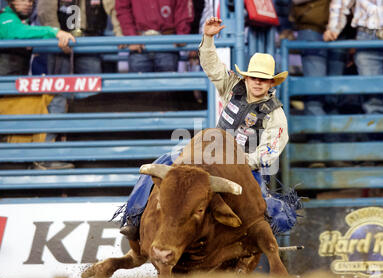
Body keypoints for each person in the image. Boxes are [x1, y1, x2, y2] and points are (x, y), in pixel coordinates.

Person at [116, 16, 301, 241]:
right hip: (208, 154)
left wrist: (240, 162)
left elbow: (269, 152)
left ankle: (256, 245)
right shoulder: (233, 86)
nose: (257, 82)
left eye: (263, 79)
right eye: (254, 77)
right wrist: (208, 38)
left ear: (271, 82)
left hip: (244, 167)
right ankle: (134, 219)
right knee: (160, 164)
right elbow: (212, 66)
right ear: (247, 77)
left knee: (263, 212)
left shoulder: (275, 114)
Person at [36, 0, 122, 169]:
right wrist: (57, 33)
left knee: (91, 99)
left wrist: (120, 34)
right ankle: (50, 155)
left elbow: (113, 7)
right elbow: (45, 8)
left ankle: (89, 153)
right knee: (58, 100)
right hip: (61, 45)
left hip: (90, 43)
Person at [0, 0, 75, 146]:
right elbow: (18, 33)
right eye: (22, 0)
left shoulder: (21, 23)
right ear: (10, 2)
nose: (28, 3)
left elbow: (28, 33)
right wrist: (55, 32)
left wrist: (58, 38)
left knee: (51, 95)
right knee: (55, 99)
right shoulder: (5, 20)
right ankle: (45, 156)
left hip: (11, 92)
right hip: (5, 96)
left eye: (30, 0)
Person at [324, 0, 383, 116]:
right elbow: (340, 4)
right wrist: (333, 29)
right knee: (372, 98)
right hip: (367, 36)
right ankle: (377, 132)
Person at [288, 0, 348, 116]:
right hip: (312, 26)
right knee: (315, 88)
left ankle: (332, 131)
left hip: (341, 31)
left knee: (334, 93)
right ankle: (319, 131)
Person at [115, 0, 194, 73]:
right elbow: (122, 8)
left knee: (167, 85)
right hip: (138, 44)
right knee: (139, 86)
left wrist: (181, 34)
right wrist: (131, 37)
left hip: (167, 43)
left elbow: (184, 8)